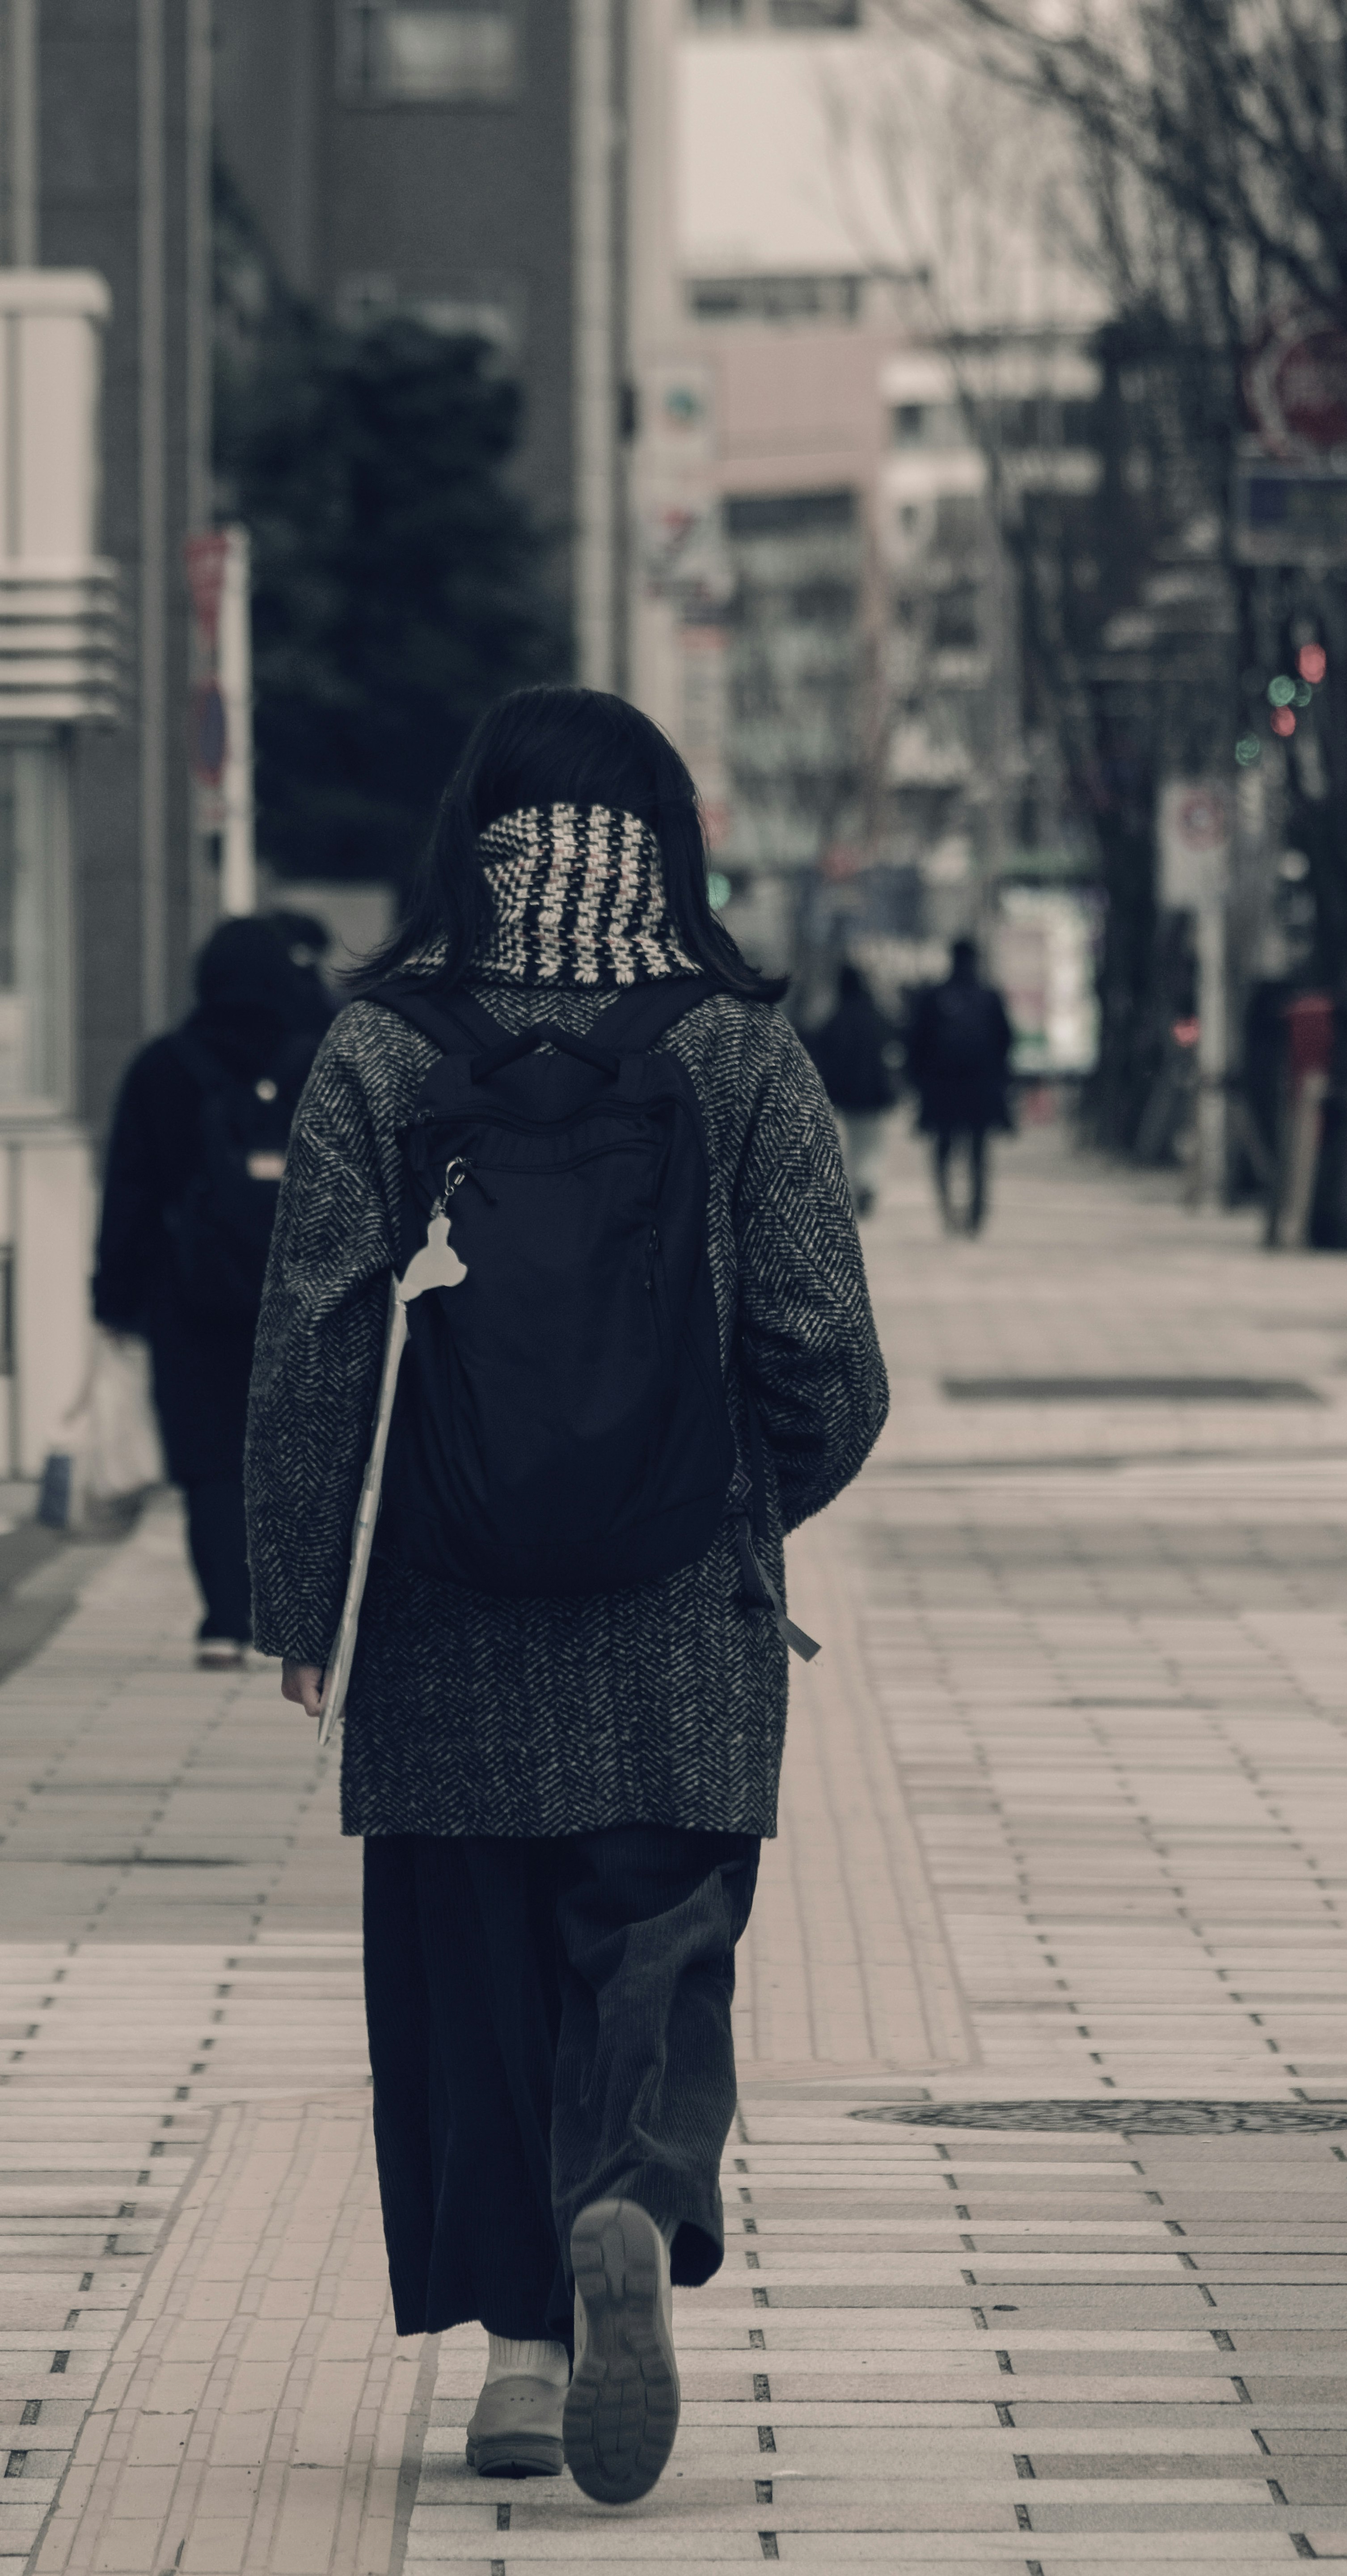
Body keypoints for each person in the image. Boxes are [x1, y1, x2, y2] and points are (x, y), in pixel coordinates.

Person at [243, 685, 888, 2508]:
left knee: (479, 1981)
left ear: (478, 830)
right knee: (655, 1954)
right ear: (666, 840)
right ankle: (631, 2194)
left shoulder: (382, 1047)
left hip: (447, 1618)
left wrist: (302, 1597)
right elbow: (826, 1356)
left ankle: (524, 2365)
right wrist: (740, 1510)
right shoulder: (740, 1053)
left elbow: (313, 1348)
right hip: (681, 1615)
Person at [91, 916, 330, 1667]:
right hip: (300, 1292)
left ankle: (225, 1622)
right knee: (297, 1454)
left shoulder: (165, 1066)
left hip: (188, 1292)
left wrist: (114, 1294)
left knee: (210, 1459)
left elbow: (129, 1188)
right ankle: (297, 1617)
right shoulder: (320, 1060)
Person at [905, 935, 1013, 1235]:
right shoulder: (989, 996)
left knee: (943, 1151)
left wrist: (917, 1084)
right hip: (980, 1087)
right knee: (978, 1154)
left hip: (942, 1087)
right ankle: (976, 1216)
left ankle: (948, 1213)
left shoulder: (934, 996)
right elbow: (1005, 1042)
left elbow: (916, 1043)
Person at [804, 960, 897, 1215]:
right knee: (873, 1141)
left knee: (853, 1141)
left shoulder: (835, 1016)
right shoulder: (875, 1014)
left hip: (845, 1092)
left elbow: (817, 1048)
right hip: (874, 1091)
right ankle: (868, 1183)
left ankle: (857, 1186)